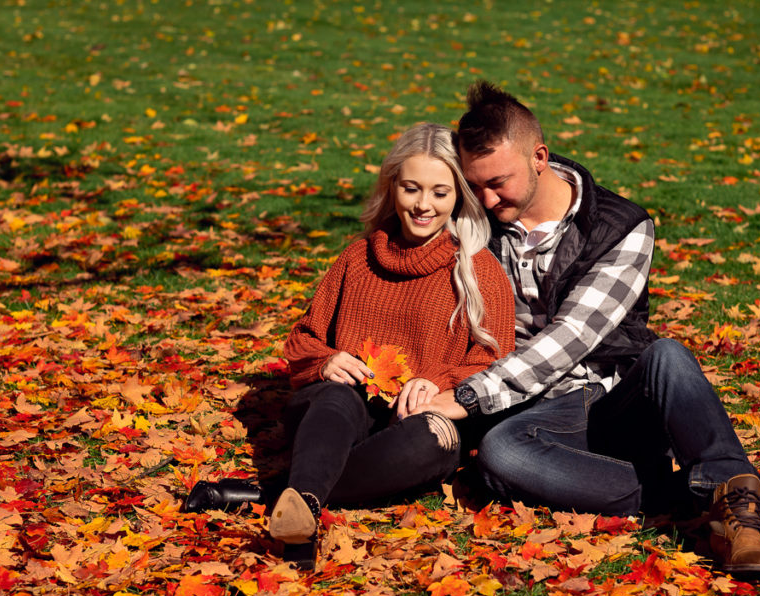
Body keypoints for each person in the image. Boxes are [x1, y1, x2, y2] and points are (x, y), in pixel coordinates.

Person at [414, 82, 760, 581]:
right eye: (475, 186)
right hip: (536, 410)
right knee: (502, 455)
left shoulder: (622, 226)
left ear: (539, 156)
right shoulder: (475, 217)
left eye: (498, 182)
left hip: (614, 398)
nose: (487, 199)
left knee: (667, 355)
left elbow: (573, 336)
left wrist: (470, 397)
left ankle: (740, 520)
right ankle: (728, 491)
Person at [184, 122, 516, 568]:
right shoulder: (358, 258)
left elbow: (497, 360)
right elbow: (303, 339)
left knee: (432, 440)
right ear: (392, 187)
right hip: (342, 411)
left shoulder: (477, 270)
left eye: (440, 192)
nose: (423, 205)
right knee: (336, 400)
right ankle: (300, 508)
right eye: (411, 188)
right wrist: (326, 361)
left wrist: (437, 383)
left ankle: (282, 498)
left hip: (419, 419)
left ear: (459, 195)